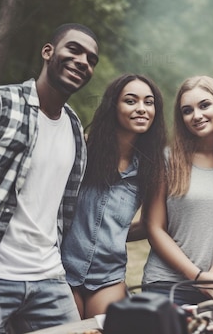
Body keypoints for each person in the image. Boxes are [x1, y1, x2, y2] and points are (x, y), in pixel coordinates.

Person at [0, 23, 99, 333]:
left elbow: (61, 211)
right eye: (74, 49)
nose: (83, 61)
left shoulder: (75, 129)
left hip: (49, 279)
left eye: (91, 59)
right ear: (48, 52)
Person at [141, 76, 213, 305]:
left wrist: (212, 279)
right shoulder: (166, 159)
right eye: (187, 110)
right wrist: (198, 277)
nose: (196, 115)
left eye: (204, 105)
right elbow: (154, 228)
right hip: (165, 283)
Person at [61, 74, 167, 318]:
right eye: (131, 101)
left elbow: (152, 225)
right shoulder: (83, 149)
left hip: (108, 274)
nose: (141, 109)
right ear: (113, 106)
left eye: (148, 102)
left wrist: (113, 235)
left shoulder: (152, 167)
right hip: (63, 266)